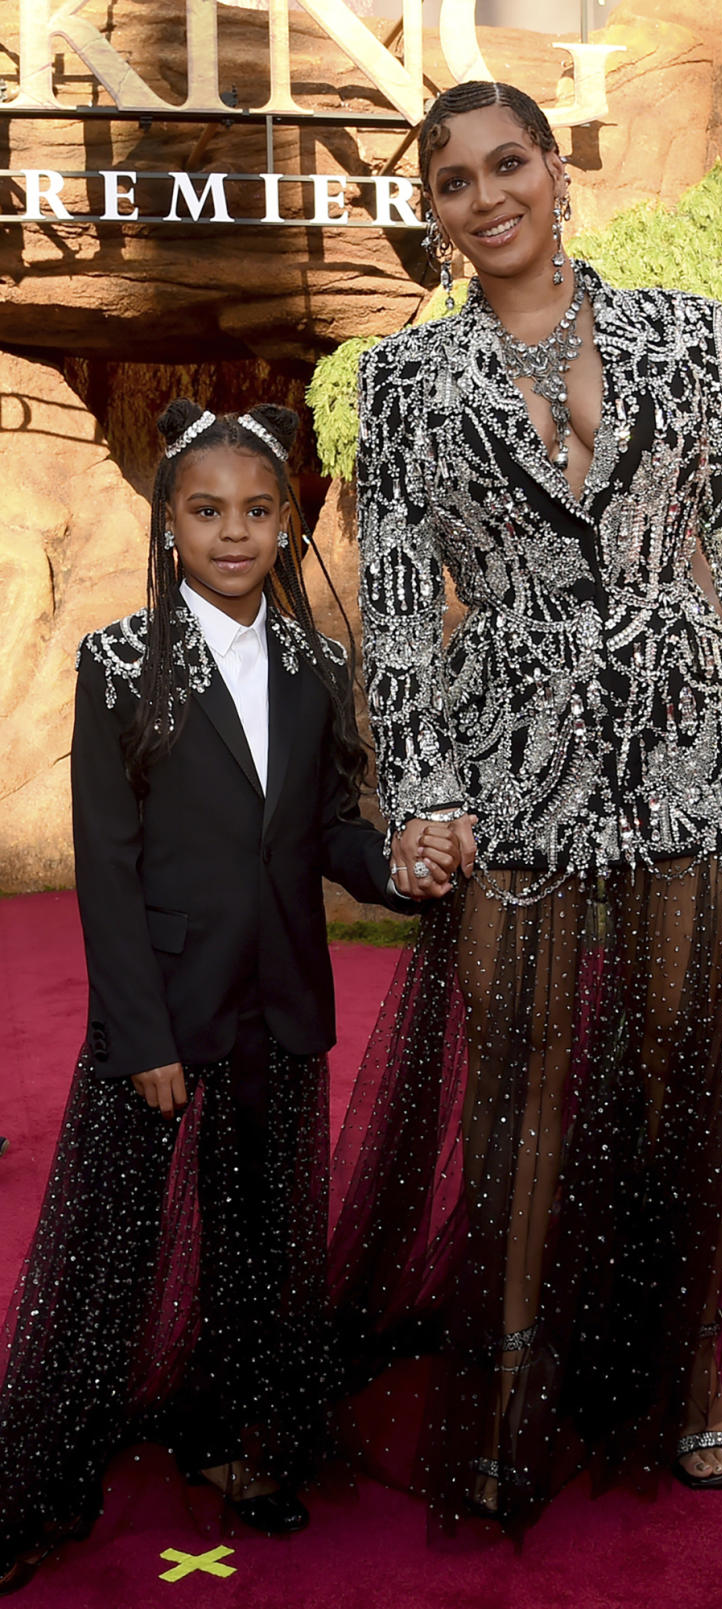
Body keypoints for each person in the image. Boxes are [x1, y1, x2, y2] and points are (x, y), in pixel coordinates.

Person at [327, 79, 722, 1536]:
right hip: (512, 763)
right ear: (436, 214)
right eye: (456, 182)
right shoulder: (407, 386)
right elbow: (402, 604)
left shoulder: (680, 329)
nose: (489, 200)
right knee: (518, 1089)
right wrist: (423, 789)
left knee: (682, 1079)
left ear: (556, 168)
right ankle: (507, 1394)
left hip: (681, 737)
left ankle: (688, 1381)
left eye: (509, 164)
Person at [0, 400, 459, 1595]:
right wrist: (137, 1030)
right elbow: (105, 863)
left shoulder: (315, 665)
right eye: (207, 511)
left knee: (263, 1238)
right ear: (169, 524)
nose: (235, 532)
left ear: (286, 520)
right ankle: (53, 1463)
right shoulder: (116, 663)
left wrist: (398, 870)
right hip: (162, 1010)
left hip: (281, 1004)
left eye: (259, 510)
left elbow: (325, 832)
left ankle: (246, 1443)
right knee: (120, 1240)